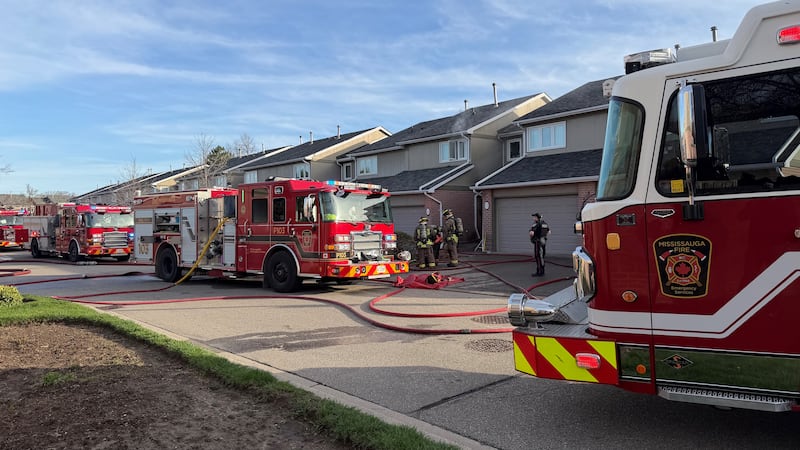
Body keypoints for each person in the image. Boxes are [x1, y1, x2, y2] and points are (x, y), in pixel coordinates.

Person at [529, 212, 550, 276]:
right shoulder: (545, 223)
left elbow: (532, 232)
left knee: (538, 256)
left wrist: (531, 233)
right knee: (542, 256)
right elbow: (549, 231)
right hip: (543, 242)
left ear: (537, 218)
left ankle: (539, 272)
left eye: (534, 217)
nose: (533, 218)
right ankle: (542, 270)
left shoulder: (537, 224)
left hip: (538, 242)